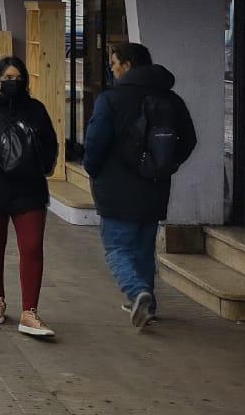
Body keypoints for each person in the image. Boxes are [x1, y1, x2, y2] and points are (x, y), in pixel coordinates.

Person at [82, 41, 197, 329]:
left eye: (114, 64)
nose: (112, 70)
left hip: (116, 188)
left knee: (117, 248)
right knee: (144, 248)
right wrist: (165, 166)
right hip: (155, 187)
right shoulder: (171, 99)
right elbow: (189, 140)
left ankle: (137, 293)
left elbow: (95, 143)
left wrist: (93, 170)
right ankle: (148, 305)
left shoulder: (111, 100)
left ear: (128, 64)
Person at [0, 57, 59, 338]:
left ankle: (30, 311)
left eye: (18, 77)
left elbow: (50, 143)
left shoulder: (35, 109)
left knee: (32, 247)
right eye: (8, 76)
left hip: (29, 190)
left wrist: (46, 165)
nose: (13, 81)